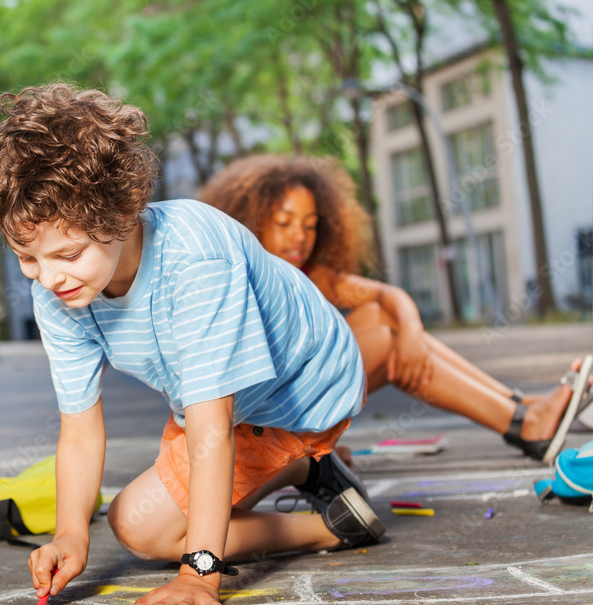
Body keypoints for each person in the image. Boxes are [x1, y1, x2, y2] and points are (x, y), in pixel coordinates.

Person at [0, 84, 383, 605]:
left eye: (67, 253)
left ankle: (334, 522)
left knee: (142, 527)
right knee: (148, 511)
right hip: (222, 403)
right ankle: (310, 473)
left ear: (121, 213)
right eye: (26, 257)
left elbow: (213, 428)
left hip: (298, 393)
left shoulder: (194, 260)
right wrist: (70, 535)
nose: (46, 278)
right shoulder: (59, 287)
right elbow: (79, 426)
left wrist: (198, 572)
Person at [199, 154, 583, 462]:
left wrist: (413, 332)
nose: (300, 236)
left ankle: (518, 405)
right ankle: (525, 423)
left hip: (298, 400)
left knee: (384, 319)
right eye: (284, 223)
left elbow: (387, 297)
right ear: (249, 223)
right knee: (386, 341)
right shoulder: (239, 278)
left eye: (311, 225)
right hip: (263, 420)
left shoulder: (314, 275)